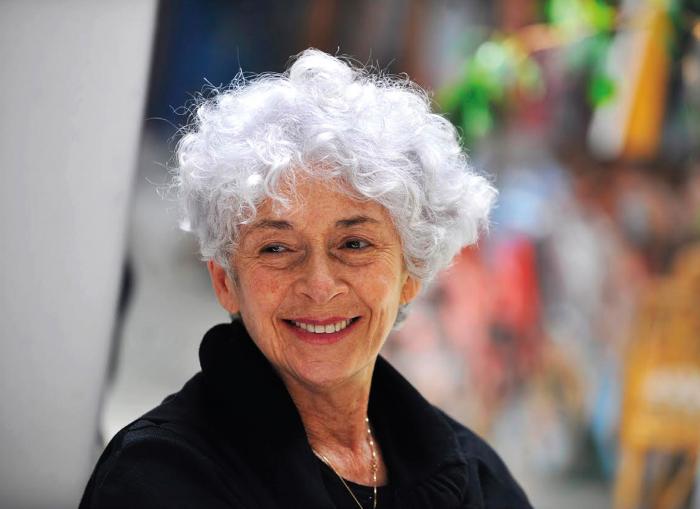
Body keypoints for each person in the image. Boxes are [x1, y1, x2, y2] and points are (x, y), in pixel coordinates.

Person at [80, 49, 532, 509]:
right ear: (225, 281)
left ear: (410, 271)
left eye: (354, 244)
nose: (319, 284)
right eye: (276, 248)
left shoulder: (476, 477)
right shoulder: (159, 477)